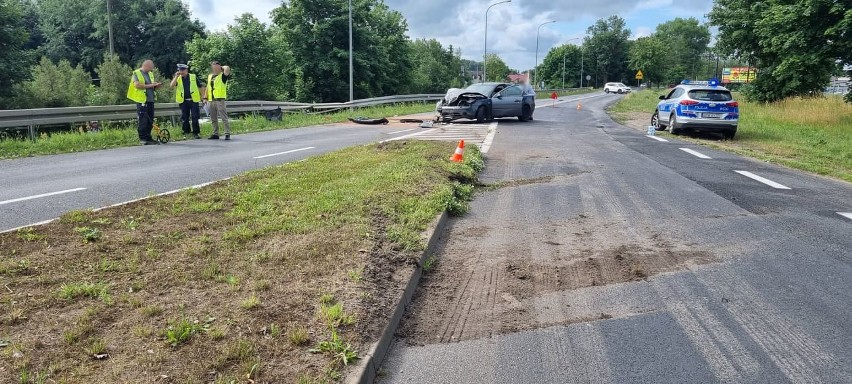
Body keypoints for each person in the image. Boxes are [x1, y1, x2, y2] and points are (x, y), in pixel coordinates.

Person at [126, 60, 162, 145]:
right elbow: (137, 85)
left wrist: (156, 86)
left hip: (150, 100)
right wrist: (151, 85)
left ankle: (149, 138)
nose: (151, 70)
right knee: (143, 120)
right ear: (146, 66)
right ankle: (143, 138)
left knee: (150, 120)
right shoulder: (136, 73)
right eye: (150, 68)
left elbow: (150, 86)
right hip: (142, 100)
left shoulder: (150, 74)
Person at [170, 63, 203, 139]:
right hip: (183, 101)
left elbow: (200, 86)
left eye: (183, 70)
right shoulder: (178, 78)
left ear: (186, 70)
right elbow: (171, 85)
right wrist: (176, 76)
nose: (181, 71)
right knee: (185, 117)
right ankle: (186, 132)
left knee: (195, 117)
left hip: (193, 100)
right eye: (180, 70)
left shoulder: (193, 77)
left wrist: (203, 97)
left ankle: (196, 133)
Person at [204, 61, 231, 140]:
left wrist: (221, 67)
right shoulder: (210, 76)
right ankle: (215, 133)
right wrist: (205, 98)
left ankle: (227, 133)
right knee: (213, 118)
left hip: (219, 100)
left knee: (224, 117)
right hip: (211, 100)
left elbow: (227, 68)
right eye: (213, 67)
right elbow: (208, 87)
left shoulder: (223, 76)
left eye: (216, 67)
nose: (214, 69)